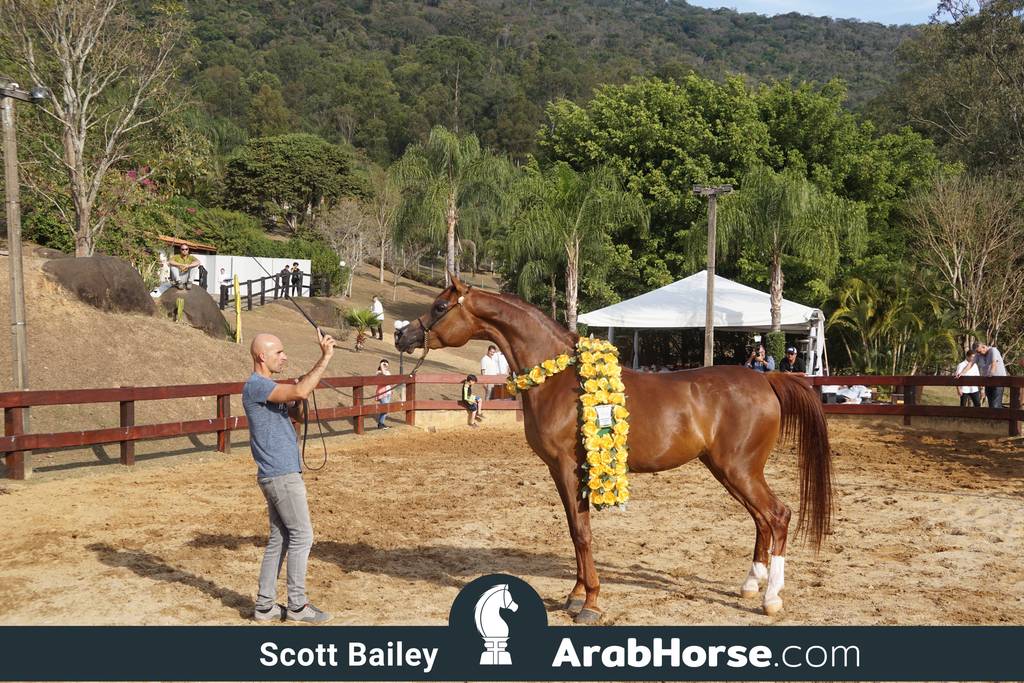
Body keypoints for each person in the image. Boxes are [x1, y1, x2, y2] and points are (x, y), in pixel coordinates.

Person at [243, 329, 335, 624]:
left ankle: (265, 606)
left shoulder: (268, 387)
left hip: (276, 473)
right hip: (281, 474)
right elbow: (298, 392)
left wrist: (302, 393)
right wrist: (325, 357)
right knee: (302, 536)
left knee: (280, 538)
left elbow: (297, 407)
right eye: (279, 352)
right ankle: (297, 605)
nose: (284, 356)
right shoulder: (257, 385)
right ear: (262, 357)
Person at [972, 341, 1007, 408]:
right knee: (991, 403)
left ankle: (1004, 415)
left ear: (984, 347)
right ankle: (998, 416)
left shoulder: (993, 350)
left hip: (998, 381)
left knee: (995, 404)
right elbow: (970, 364)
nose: (979, 354)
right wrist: (961, 373)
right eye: (977, 352)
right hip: (988, 381)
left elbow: (994, 363)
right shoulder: (978, 354)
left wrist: (991, 374)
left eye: (979, 351)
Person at [374, 359, 392, 429]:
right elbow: (384, 374)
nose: (385, 365)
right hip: (382, 393)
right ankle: (380, 424)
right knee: (385, 408)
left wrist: (384, 365)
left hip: (388, 393)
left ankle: (381, 423)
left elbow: (388, 378)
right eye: (384, 364)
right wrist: (381, 365)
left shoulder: (388, 372)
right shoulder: (378, 372)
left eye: (386, 364)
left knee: (386, 409)